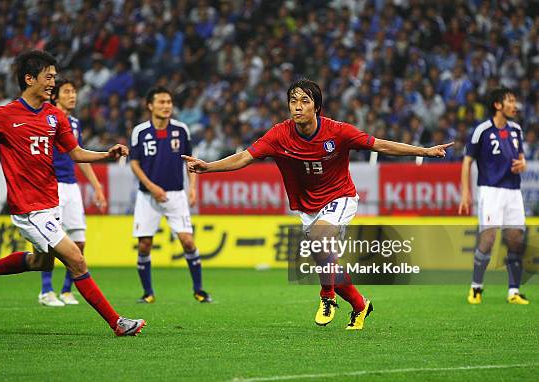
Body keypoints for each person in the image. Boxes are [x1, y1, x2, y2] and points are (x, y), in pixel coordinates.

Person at [183, 79, 451, 329]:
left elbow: (380, 145)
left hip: (340, 197)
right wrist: (208, 168)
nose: (297, 106)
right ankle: (360, 305)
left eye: (305, 101)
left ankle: (326, 296)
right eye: (293, 100)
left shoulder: (339, 132)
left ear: (317, 106)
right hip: (307, 207)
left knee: (320, 239)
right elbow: (244, 157)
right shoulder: (279, 135)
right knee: (326, 260)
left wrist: (424, 151)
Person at [0, 50, 145, 336]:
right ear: (29, 79)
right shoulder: (4, 115)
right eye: (48, 77)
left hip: (50, 203)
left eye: (54, 77)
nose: (52, 83)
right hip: (29, 208)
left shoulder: (55, 116)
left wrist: (107, 153)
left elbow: (76, 153)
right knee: (77, 260)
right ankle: (117, 323)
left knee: (39, 262)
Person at [130, 86, 211, 304]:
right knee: (145, 244)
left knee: (188, 241)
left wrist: (192, 188)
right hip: (148, 196)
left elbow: (190, 161)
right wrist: (151, 186)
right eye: (161, 102)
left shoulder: (181, 129)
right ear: (150, 105)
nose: (166, 106)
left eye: (169, 102)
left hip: (175, 195)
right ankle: (147, 293)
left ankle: (199, 290)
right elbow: (134, 163)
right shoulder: (140, 131)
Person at [38, 79, 108, 307]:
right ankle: (46, 290)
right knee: (51, 240)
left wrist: (96, 185)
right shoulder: (45, 118)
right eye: (67, 91)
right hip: (52, 185)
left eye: (74, 91)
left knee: (79, 240)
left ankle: (67, 290)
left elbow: (79, 155)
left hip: (72, 186)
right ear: (55, 96)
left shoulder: (74, 123)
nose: (73, 95)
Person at [459, 87, 529, 305]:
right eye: (510, 100)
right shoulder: (483, 130)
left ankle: (513, 291)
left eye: (515, 101)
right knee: (488, 239)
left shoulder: (517, 129)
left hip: (513, 191)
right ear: (498, 105)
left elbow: (521, 157)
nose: (514, 105)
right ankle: (476, 287)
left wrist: (523, 164)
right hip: (490, 190)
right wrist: (465, 192)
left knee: (516, 240)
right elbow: (467, 160)